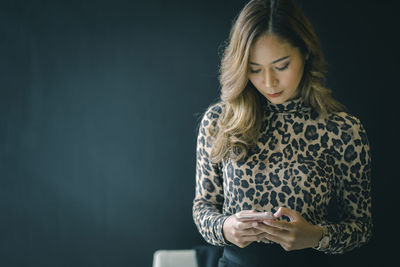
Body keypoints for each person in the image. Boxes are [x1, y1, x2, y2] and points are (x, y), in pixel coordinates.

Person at [192, 0, 372, 266]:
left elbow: (361, 227)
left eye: (281, 66)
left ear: (306, 54)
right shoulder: (219, 121)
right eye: (254, 69)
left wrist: (317, 236)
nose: (269, 82)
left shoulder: (343, 130)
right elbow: (203, 207)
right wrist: (225, 228)